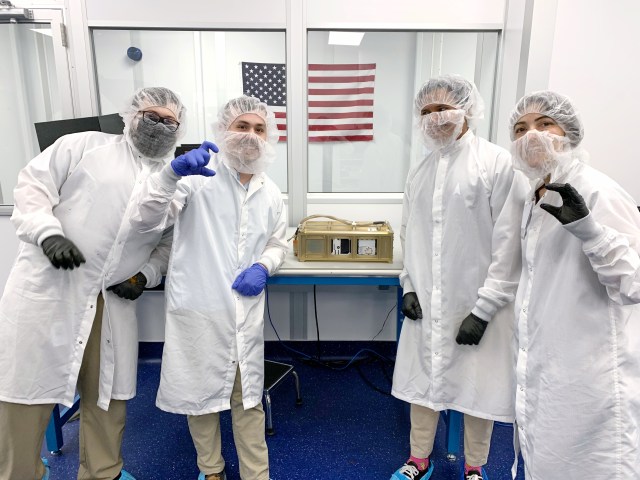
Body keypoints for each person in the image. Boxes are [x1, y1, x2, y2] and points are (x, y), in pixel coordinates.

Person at [0, 86, 185, 480]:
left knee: (107, 394)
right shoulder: (83, 147)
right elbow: (33, 188)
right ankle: (18, 473)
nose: (160, 127)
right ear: (130, 114)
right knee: (26, 392)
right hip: (52, 291)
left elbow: (167, 240)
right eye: (152, 116)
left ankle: (103, 472)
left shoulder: (175, 181)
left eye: (170, 121)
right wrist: (47, 232)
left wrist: (145, 275)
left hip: (113, 299)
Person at [129, 95, 287, 480]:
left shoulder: (270, 192)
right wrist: (170, 175)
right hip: (198, 307)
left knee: (248, 400)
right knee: (198, 398)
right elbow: (146, 220)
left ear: (271, 137)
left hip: (243, 312)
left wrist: (264, 266)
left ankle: (256, 474)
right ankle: (210, 470)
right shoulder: (197, 178)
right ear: (224, 129)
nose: (251, 135)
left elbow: (278, 242)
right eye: (242, 126)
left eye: (259, 128)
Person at [390, 75, 528, 480]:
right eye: (427, 111)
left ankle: (474, 468)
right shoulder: (421, 170)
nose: (436, 118)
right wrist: (409, 285)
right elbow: (408, 234)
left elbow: (509, 244)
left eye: (443, 108)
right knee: (423, 386)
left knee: (476, 389)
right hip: (428, 301)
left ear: (466, 109)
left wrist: (483, 310)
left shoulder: (495, 163)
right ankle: (419, 460)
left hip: (477, 301)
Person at [508, 90, 640, 479]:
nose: (531, 136)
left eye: (544, 124)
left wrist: (592, 233)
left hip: (589, 375)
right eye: (520, 129)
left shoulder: (598, 190)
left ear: (570, 133)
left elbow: (634, 283)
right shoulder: (538, 194)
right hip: (548, 367)